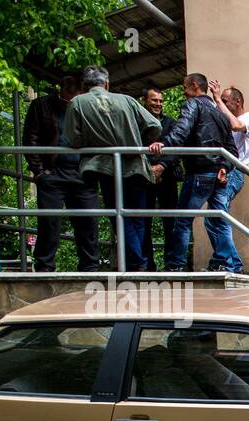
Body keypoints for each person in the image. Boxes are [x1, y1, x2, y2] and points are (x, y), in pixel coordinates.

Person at [62, 66, 161, 271]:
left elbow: (72, 138)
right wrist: (140, 142)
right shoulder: (127, 100)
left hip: (106, 168)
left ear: (84, 85)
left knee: (119, 215)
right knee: (138, 216)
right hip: (136, 166)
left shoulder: (77, 103)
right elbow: (155, 126)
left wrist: (92, 142)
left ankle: (136, 263)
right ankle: (138, 261)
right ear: (107, 84)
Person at [147, 73, 237, 272]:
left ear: (194, 85)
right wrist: (224, 167)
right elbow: (232, 150)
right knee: (220, 221)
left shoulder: (193, 105)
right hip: (218, 176)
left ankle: (176, 265)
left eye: (185, 87)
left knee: (183, 221)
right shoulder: (220, 113)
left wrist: (165, 143)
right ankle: (224, 263)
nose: (183, 91)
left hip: (199, 173)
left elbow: (182, 129)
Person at [24, 74, 99, 271]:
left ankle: (90, 268)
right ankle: (44, 267)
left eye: (75, 99)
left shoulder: (88, 108)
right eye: (67, 98)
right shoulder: (41, 106)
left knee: (88, 223)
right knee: (49, 224)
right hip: (52, 172)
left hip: (83, 173)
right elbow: (30, 139)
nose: (70, 103)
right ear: (60, 92)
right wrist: (39, 172)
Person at [203, 80, 249, 273]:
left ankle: (228, 263)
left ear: (237, 102)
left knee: (218, 216)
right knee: (213, 218)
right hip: (227, 170)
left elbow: (236, 126)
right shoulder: (227, 121)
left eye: (226, 101)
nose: (222, 105)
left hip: (236, 172)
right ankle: (232, 263)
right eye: (221, 101)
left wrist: (217, 99)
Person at [139, 86, 183, 271]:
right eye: (154, 100)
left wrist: (161, 167)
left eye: (160, 101)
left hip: (168, 178)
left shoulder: (171, 123)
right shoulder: (137, 123)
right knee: (143, 222)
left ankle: (171, 265)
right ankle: (147, 265)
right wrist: (149, 170)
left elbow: (177, 148)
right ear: (144, 101)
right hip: (143, 178)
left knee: (171, 222)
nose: (158, 104)